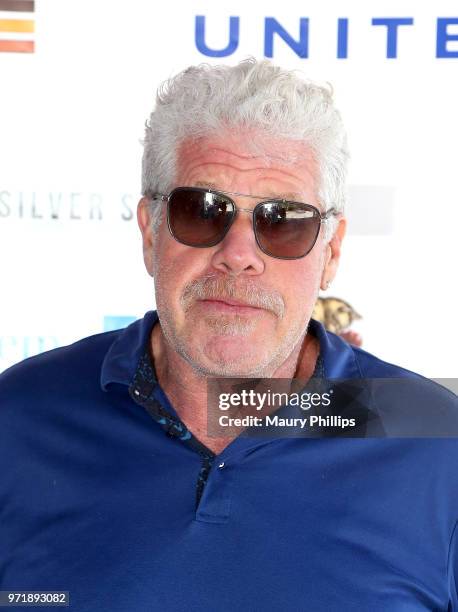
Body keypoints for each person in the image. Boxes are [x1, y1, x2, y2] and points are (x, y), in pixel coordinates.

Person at [0, 59, 457, 611]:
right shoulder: (17, 419)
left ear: (331, 252)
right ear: (150, 233)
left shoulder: (438, 447)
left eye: (284, 220)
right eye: (202, 211)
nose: (238, 257)